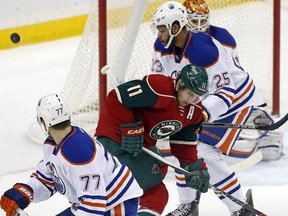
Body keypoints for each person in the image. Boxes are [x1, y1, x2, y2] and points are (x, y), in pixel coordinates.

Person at [151, 1, 263, 216]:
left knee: (203, 152)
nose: (159, 34)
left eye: (163, 29)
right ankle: (189, 206)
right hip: (198, 100)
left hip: (234, 101)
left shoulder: (203, 52)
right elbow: (163, 82)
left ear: (176, 28)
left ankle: (240, 208)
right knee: (182, 146)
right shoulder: (162, 47)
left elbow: (227, 91)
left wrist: (201, 114)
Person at [94, 64, 211, 215]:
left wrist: (191, 167)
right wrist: (130, 129)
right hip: (115, 139)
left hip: (140, 146)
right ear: (179, 84)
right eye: (189, 94)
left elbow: (183, 142)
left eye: (197, 96)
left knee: (160, 166)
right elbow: (116, 97)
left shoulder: (194, 111)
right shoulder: (158, 88)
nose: (192, 100)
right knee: (156, 193)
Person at [0, 93, 143, 216]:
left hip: (115, 205)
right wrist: (25, 192)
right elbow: (48, 179)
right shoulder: (55, 143)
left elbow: (94, 203)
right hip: (97, 205)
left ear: (43, 121)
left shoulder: (77, 151)